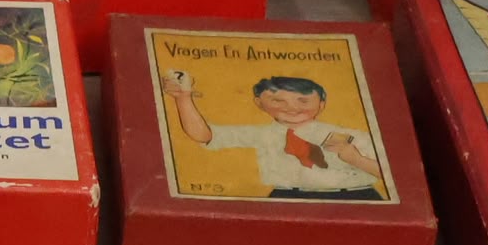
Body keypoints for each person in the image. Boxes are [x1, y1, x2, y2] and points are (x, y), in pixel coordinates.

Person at [163, 70, 385, 199]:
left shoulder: (351, 135)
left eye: (303, 101)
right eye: (278, 100)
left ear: (321, 104)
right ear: (259, 103)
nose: (292, 108)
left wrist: (357, 160)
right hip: (288, 198)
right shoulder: (262, 134)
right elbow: (204, 135)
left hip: (354, 197)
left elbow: (393, 176)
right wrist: (183, 98)